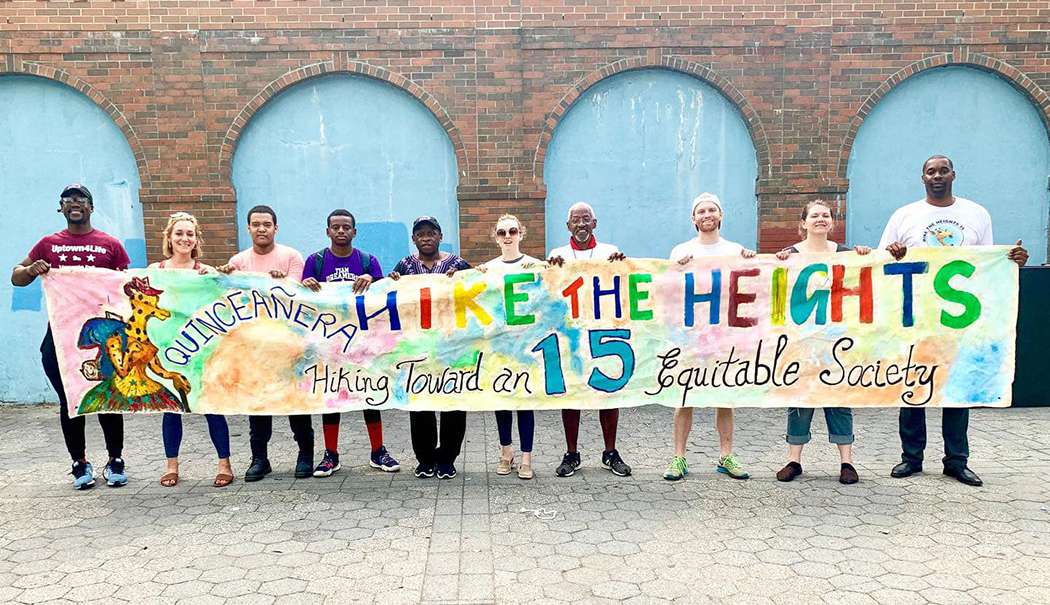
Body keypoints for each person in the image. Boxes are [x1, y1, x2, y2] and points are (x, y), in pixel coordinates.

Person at [880, 155, 1028, 487]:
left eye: (943, 170)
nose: (937, 176)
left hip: (961, 316)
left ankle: (956, 461)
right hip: (916, 313)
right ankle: (911, 458)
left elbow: (987, 263)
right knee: (914, 383)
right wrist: (894, 252)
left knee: (958, 385)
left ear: (953, 175)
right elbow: (883, 260)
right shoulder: (905, 215)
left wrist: (1011, 262)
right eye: (930, 171)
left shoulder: (976, 214)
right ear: (922, 178)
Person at [11, 184, 130, 489]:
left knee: (107, 398)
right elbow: (16, 275)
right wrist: (32, 270)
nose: (75, 204)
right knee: (70, 400)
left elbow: (126, 285)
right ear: (61, 208)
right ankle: (79, 463)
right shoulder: (48, 244)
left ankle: (115, 460)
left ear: (91, 207)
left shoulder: (110, 245)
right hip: (61, 336)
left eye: (81, 200)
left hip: (100, 334)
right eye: (68, 200)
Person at [773, 201, 871, 485]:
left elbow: (867, 276)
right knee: (800, 397)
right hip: (801, 340)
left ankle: (847, 463)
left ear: (832, 222)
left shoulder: (846, 254)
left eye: (825, 216)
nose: (820, 219)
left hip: (838, 339)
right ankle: (794, 460)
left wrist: (865, 256)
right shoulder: (789, 254)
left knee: (839, 396)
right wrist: (774, 264)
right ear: (803, 223)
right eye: (814, 215)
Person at [217, 205, 314, 482]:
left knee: (297, 404)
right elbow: (225, 297)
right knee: (257, 405)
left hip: (288, 346)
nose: (262, 229)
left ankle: (305, 455)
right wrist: (223, 277)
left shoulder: (291, 257)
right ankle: (259, 458)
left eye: (267, 224)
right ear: (248, 228)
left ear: (275, 228)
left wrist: (285, 285)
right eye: (256, 224)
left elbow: (301, 298)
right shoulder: (237, 262)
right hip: (254, 349)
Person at [301, 209, 401, 477]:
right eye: (336, 227)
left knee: (370, 394)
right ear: (328, 232)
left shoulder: (368, 261)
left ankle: (378, 451)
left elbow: (384, 297)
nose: (341, 231)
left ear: (354, 232)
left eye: (346, 227)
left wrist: (374, 280)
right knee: (332, 397)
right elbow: (301, 301)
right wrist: (305, 284)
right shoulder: (316, 261)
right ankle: (330, 454)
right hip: (328, 343)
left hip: (363, 343)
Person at [664, 193, 756, 482]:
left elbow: (752, 282)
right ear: (693, 218)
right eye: (701, 210)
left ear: (720, 215)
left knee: (725, 395)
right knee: (684, 395)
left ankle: (725, 455)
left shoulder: (734, 249)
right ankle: (678, 457)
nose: (707, 214)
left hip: (725, 333)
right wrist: (677, 267)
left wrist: (752, 260)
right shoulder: (681, 249)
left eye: (712, 209)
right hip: (691, 333)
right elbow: (668, 288)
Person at [148, 212, 234, 488]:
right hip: (167, 348)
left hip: (200, 348)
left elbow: (222, 303)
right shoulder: (156, 270)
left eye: (190, 234)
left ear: (197, 239)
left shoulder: (205, 273)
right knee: (171, 407)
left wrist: (226, 279)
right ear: (169, 239)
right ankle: (171, 466)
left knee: (211, 405)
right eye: (179, 233)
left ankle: (224, 464)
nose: (185, 238)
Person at [547, 202, 631, 477]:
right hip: (570, 334)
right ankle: (572, 453)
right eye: (575, 220)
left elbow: (623, 284)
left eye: (586, 219)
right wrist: (552, 270)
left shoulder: (609, 252)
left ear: (595, 223)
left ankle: (610, 452)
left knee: (608, 391)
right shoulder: (557, 254)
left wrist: (622, 267)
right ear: (567, 226)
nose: (581, 224)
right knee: (571, 393)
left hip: (603, 332)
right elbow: (549, 291)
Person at [389, 216, 471, 479]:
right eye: (420, 234)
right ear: (413, 239)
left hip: (451, 347)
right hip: (417, 347)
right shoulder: (404, 266)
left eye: (431, 233)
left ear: (440, 236)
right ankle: (424, 459)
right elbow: (389, 299)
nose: (426, 237)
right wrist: (391, 281)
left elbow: (479, 290)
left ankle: (447, 458)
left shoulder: (457, 264)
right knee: (420, 401)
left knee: (452, 402)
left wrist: (463, 279)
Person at [480, 214, 541, 480]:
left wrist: (548, 269)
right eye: (502, 232)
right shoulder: (488, 269)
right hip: (498, 346)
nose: (508, 236)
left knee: (525, 401)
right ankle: (507, 452)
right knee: (502, 400)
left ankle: (527, 457)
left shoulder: (535, 265)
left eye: (513, 231)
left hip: (526, 345)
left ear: (521, 234)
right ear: (495, 236)